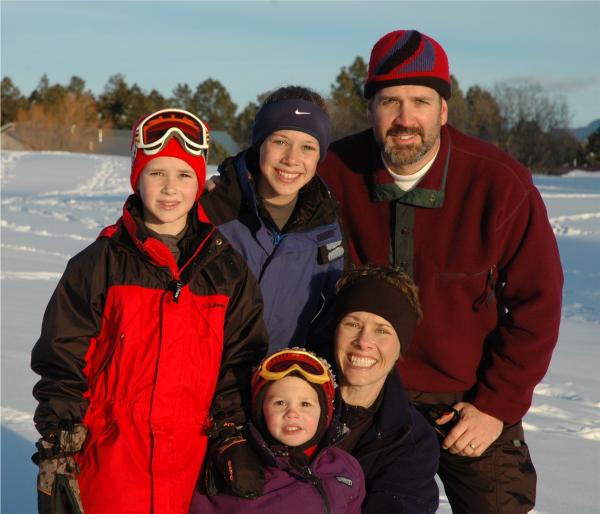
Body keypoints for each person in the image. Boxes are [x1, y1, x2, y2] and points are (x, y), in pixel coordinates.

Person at [317, 29, 564, 513]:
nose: (405, 119)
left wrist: (496, 405)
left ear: (444, 110)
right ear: (370, 108)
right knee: (312, 498)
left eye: (421, 101)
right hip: (359, 386)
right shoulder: (332, 172)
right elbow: (265, 183)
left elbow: (539, 302)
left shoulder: (498, 181)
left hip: (466, 395)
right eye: (390, 101)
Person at [30, 108, 268, 514]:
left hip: (189, 463)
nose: (170, 188)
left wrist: (230, 432)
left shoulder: (226, 269)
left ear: (199, 183)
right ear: (137, 178)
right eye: (157, 173)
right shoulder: (99, 263)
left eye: (184, 175)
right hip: (108, 461)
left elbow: (240, 360)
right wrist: (60, 440)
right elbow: (63, 357)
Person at [201, 86, 346, 354]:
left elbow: (326, 322)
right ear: (259, 144)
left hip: (282, 385)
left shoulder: (327, 227)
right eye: (280, 142)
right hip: (208, 384)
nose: (292, 159)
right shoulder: (213, 211)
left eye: (307, 147)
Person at [309, 265, 440, 514]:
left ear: (400, 346)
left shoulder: (412, 440)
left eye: (382, 331)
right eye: (352, 324)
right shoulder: (285, 394)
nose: (363, 342)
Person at [189, 348, 365, 513]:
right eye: (280, 403)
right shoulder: (240, 472)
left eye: (305, 404)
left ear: (325, 413)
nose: (292, 414)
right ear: (260, 409)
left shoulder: (345, 467)